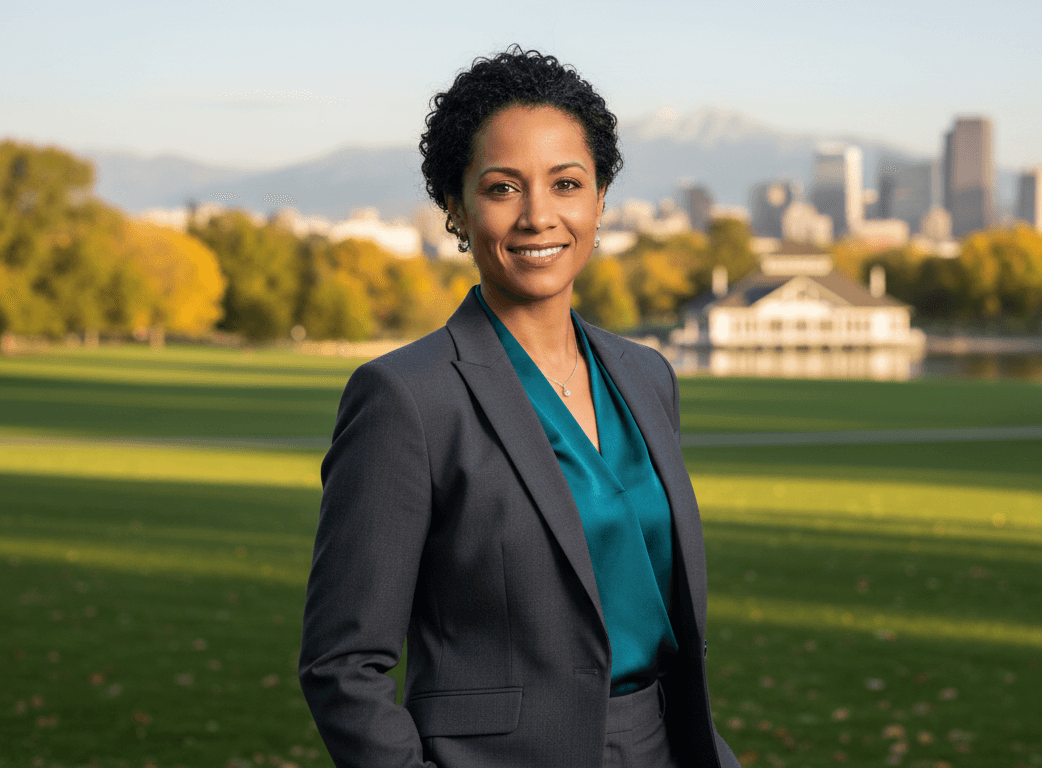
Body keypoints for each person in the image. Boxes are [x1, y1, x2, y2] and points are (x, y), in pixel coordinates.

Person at [298, 47, 742, 768]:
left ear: (599, 204)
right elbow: (341, 666)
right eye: (503, 188)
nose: (540, 216)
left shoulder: (647, 375)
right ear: (456, 210)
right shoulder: (406, 398)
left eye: (567, 183)